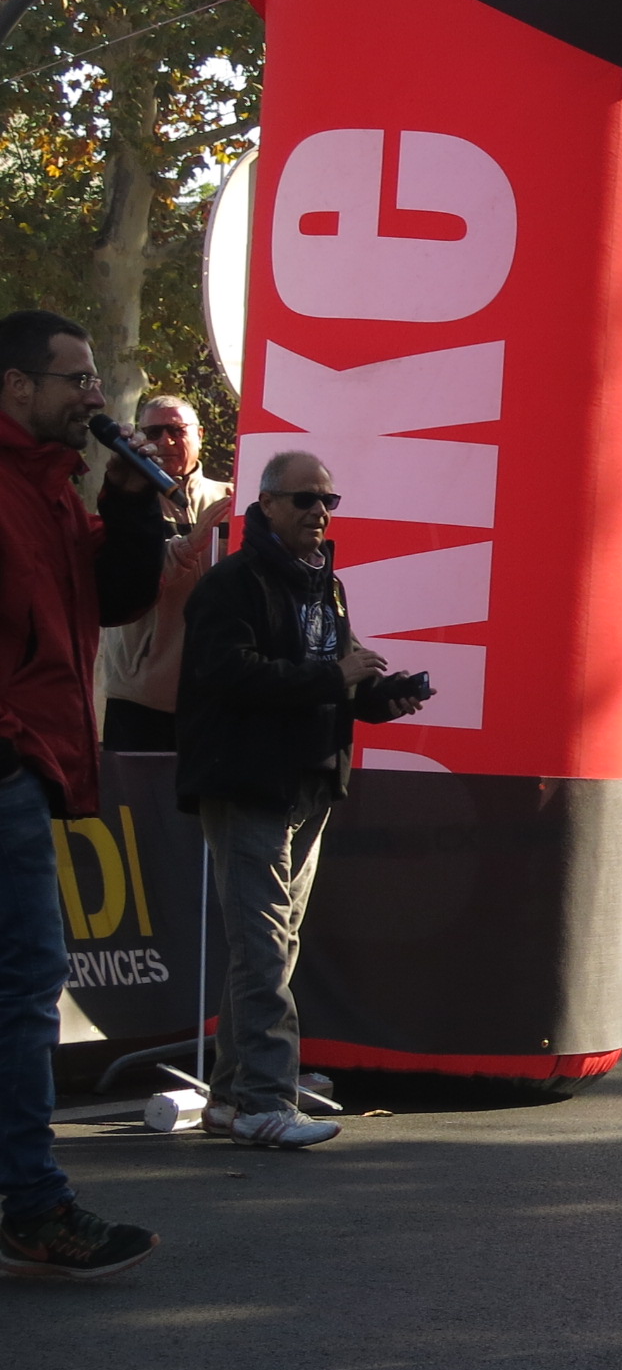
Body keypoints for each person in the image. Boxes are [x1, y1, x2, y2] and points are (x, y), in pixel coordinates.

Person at [177, 450, 430, 1150]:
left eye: (329, 501)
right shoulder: (231, 583)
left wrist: (382, 695)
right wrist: (333, 676)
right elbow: (229, 676)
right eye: (304, 500)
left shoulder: (328, 586)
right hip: (248, 781)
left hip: (309, 779)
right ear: (264, 506)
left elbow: (335, 680)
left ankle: (234, 1097)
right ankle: (262, 1100)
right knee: (260, 947)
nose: (320, 513)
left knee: (274, 946)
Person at [0, 311, 167, 1277]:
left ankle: (28, 1196)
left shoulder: (55, 491)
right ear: (18, 386)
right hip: (11, 765)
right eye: (76, 379)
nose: (95, 396)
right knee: (26, 988)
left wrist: (138, 501)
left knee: (18, 990)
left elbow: (114, 598)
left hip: (38, 765)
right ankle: (33, 1200)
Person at [97, 393, 233, 753]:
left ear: (200, 434)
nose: (165, 441)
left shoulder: (232, 500)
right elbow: (126, 576)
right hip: (140, 700)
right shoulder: (127, 500)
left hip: (215, 700)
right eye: (153, 432)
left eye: (176, 430)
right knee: (133, 809)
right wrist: (192, 544)